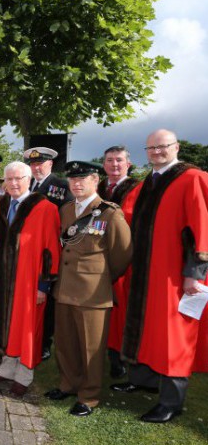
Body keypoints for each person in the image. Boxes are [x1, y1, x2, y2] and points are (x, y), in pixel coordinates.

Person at [112, 129, 208, 423]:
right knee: (144, 327)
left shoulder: (193, 178)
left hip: (173, 275)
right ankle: (143, 380)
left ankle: (171, 402)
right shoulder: (146, 185)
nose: (156, 151)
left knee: (173, 336)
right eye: (151, 147)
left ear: (176, 147)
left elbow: (202, 228)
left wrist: (195, 274)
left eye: (162, 146)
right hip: (143, 272)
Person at [45, 161, 132, 416]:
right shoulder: (66, 210)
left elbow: (122, 255)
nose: (77, 183)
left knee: (91, 347)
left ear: (96, 181)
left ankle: (89, 396)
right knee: (66, 342)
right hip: (64, 289)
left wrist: (101, 278)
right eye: (73, 180)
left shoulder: (109, 213)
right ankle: (68, 384)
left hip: (93, 294)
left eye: (83, 179)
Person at [0, 161, 61, 398]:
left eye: (19, 179)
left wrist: (43, 285)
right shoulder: (0, 204)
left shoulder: (45, 208)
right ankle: (6, 369)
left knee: (26, 329)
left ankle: (24, 376)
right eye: (9, 179)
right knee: (6, 324)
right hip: (2, 279)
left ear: (29, 180)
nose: (14, 183)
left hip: (29, 282)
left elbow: (51, 250)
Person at [23, 146, 73, 361]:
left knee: (46, 300)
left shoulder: (61, 186)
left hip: (48, 251)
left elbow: (68, 218)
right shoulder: (26, 184)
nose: (36, 168)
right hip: (27, 252)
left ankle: (44, 344)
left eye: (40, 163)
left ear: (50, 164)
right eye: (32, 164)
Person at [98, 145, 140, 379]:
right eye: (110, 161)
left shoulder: (138, 189)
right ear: (104, 165)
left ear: (128, 164)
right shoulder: (97, 188)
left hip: (125, 262)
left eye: (119, 160)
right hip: (95, 261)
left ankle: (120, 359)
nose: (114, 165)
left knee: (121, 312)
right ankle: (101, 354)